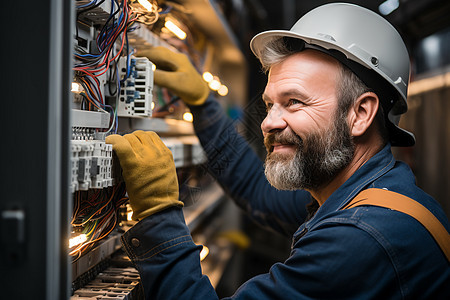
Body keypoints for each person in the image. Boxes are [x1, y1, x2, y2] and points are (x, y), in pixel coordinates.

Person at [106, 3, 449, 299]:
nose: (268, 122)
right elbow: (258, 193)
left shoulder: (362, 237)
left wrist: (158, 212)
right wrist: (203, 104)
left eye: (294, 102)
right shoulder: (362, 193)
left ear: (360, 114)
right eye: (270, 104)